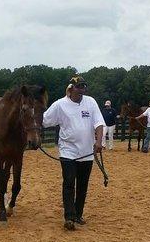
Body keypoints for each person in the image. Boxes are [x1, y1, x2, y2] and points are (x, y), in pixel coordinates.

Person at [43, 75, 105, 231]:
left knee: (82, 186)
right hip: (68, 152)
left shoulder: (90, 102)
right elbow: (44, 120)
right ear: (71, 88)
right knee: (69, 183)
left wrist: (98, 142)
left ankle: (78, 214)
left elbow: (98, 123)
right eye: (78, 87)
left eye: (83, 87)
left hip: (87, 153)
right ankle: (69, 217)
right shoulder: (60, 105)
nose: (82, 90)